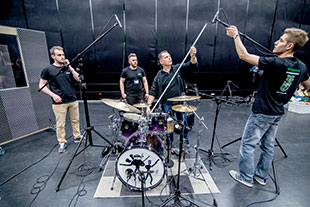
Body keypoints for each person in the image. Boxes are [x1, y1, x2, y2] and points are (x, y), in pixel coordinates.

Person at [226, 26, 310, 187]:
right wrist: (291, 84)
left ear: (289, 46)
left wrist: (235, 36)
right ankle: (260, 176)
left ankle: (245, 177)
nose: (276, 42)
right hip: (277, 112)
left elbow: (243, 55)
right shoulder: (301, 66)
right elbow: (308, 85)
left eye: (281, 40)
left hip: (262, 112)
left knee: (248, 144)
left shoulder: (276, 63)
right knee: (268, 146)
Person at [147, 46, 197, 145]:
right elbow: (153, 91)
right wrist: (148, 105)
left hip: (180, 102)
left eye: (169, 56)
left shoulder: (177, 68)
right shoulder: (159, 76)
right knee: (168, 124)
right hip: (167, 104)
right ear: (161, 61)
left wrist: (193, 56)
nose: (169, 58)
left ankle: (185, 139)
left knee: (184, 122)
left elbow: (191, 65)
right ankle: (170, 141)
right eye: (166, 57)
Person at [39, 46, 82, 153]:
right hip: (59, 103)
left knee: (75, 120)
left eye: (63, 54)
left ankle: (77, 136)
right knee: (60, 124)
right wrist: (53, 95)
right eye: (59, 55)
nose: (62, 57)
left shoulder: (67, 68)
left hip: (72, 99)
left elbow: (78, 79)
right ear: (53, 56)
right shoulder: (48, 70)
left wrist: (70, 67)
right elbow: (41, 85)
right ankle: (62, 142)